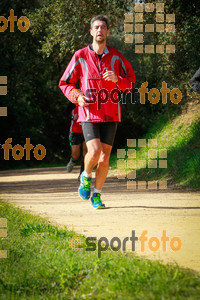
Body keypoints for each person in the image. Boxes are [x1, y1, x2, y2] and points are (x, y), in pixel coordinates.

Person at [59, 15, 136, 209]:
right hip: (89, 113)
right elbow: (65, 83)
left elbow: (130, 84)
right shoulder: (80, 56)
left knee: (104, 158)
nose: (100, 30)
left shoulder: (117, 57)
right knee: (93, 151)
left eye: (103, 27)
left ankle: (97, 195)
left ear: (108, 32)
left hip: (111, 113)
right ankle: (85, 176)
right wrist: (77, 97)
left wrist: (117, 79)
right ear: (92, 32)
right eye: (96, 27)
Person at [66, 101, 86, 181]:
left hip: (87, 131)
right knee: (75, 154)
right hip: (75, 131)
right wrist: (72, 117)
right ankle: (73, 160)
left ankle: (82, 174)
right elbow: (65, 112)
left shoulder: (91, 102)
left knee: (86, 153)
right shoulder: (74, 102)